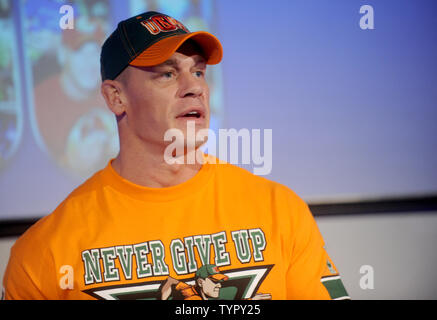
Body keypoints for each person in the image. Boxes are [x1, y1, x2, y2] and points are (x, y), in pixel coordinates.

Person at [2, 11, 349, 300]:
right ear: (115, 98)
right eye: (167, 74)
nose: (194, 86)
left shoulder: (281, 213)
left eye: (198, 71)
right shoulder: (42, 255)